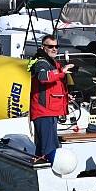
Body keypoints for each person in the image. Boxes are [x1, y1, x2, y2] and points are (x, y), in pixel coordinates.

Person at [29, 34, 73, 163]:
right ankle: (49, 166)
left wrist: (67, 95)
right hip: (43, 111)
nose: (54, 49)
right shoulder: (41, 62)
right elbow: (43, 77)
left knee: (47, 145)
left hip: (51, 111)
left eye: (56, 46)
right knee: (48, 147)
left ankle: (42, 163)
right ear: (44, 47)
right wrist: (61, 72)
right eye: (50, 46)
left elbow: (55, 87)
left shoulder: (53, 63)